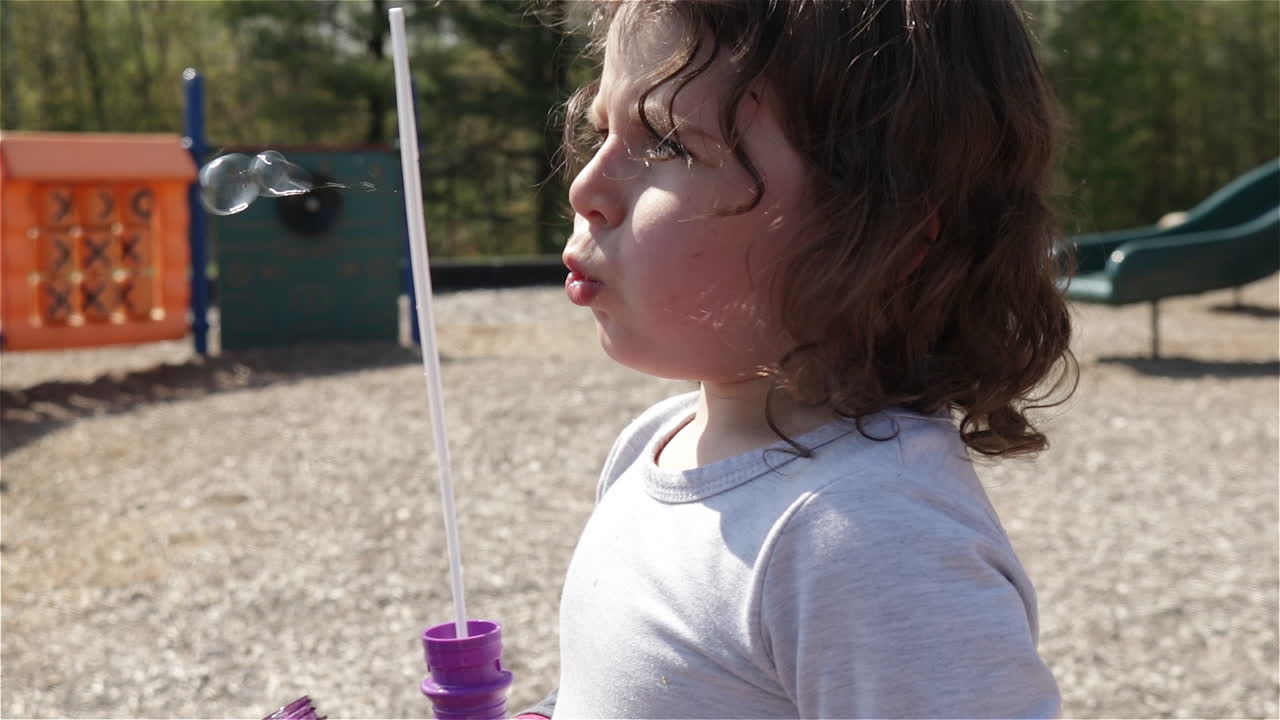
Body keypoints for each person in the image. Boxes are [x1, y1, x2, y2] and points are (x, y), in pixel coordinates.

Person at [519, 0, 1076, 717]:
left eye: (666, 142)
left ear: (887, 236)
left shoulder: (869, 538)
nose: (585, 188)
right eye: (601, 130)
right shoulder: (653, 444)